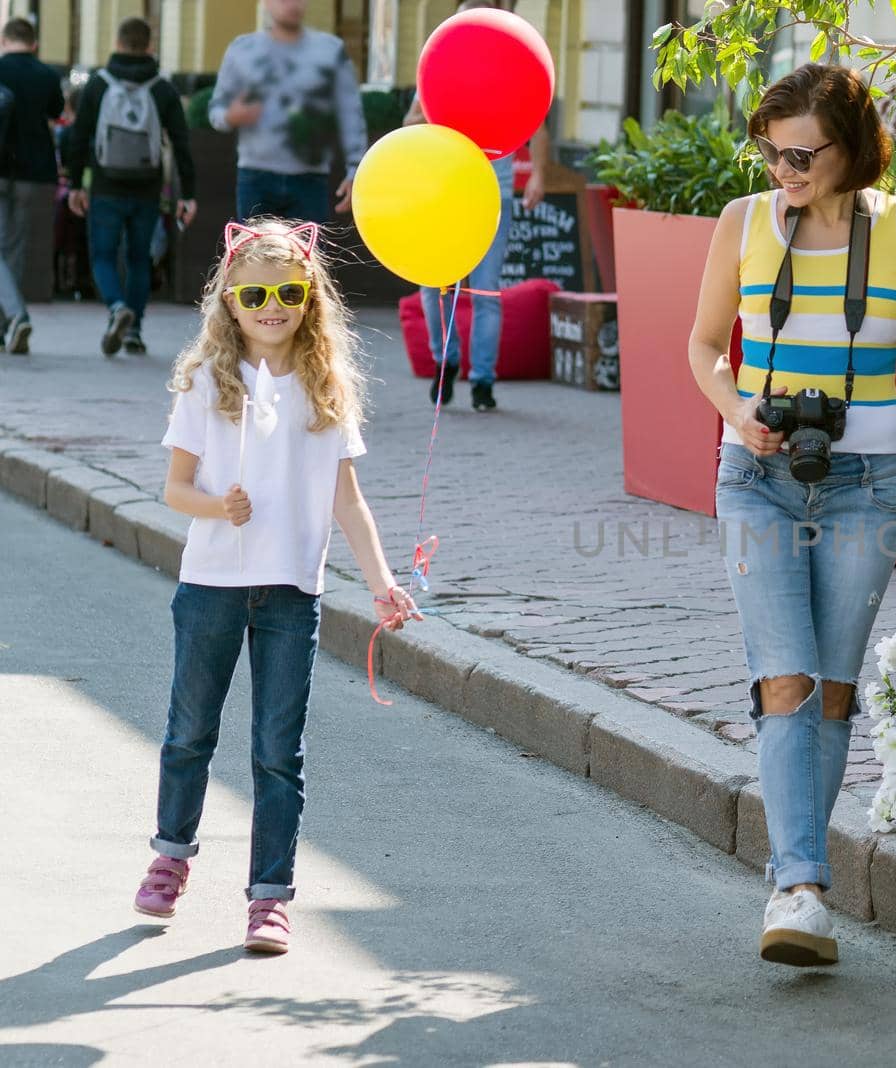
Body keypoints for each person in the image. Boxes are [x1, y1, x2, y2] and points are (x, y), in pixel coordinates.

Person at [687, 63, 896, 967]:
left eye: (803, 152)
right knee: (786, 680)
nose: (785, 168)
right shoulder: (743, 222)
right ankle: (801, 888)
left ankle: (799, 882)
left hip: (866, 478)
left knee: (834, 689)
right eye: (771, 151)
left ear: (854, 148)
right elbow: (702, 346)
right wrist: (739, 415)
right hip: (756, 474)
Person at [131, 218, 421, 953]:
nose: (272, 306)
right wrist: (216, 504)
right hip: (212, 584)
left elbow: (347, 499)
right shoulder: (205, 380)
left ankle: (269, 897)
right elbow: (173, 489)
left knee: (276, 749)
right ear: (230, 300)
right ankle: (171, 853)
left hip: (293, 588)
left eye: (288, 291)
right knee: (190, 731)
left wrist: (383, 581)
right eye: (254, 293)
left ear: (310, 296)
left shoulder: (326, 388)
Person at [403, 0, 549, 413]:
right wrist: (440, 116)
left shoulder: (510, 68)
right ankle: (444, 361)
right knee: (434, 288)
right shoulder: (439, 67)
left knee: (486, 292)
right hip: (444, 196)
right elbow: (410, 124)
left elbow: (537, 124)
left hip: (492, 197)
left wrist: (538, 173)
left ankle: (483, 381)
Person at [65, 16, 198, 357]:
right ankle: (134, 330)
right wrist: (188, 194)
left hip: (107, 185)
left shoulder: (98, 84)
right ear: (150, 46)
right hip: (147, 187)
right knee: (140, 258)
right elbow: (182, 143)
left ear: (118, 43)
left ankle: (116, 307)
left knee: (103, 254)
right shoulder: (162, 88)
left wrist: (77, 184)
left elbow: (79, 137)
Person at [207, 0, 367, 222]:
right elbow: (216, 109)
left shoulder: (329, 51)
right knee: (255, 255)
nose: (292, 4)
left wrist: (356, 170)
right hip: (256, 175)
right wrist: (230, 116)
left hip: (311, 178)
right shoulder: (242, 50)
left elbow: (350, 112)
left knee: (308, 255)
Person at [0, 17, 64, 354]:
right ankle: (5, 327)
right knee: (13, 249)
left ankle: (16, 315)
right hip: (33, 171)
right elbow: (55, 114)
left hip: (1, 170)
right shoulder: (47, 74)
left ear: (3, 40)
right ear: (34, 43)